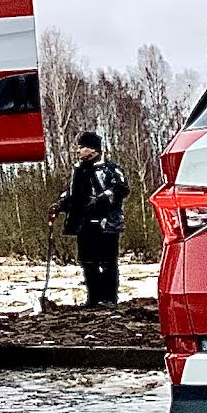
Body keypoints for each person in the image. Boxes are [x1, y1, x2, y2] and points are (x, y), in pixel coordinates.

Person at [50, 131, 131, 309]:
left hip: (107, 224)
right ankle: (93, 299)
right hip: (83, 224)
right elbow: (71, 194)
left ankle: (109, 299)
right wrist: (60, 206)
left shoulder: (110, 169)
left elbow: (122, 189)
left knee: (108, 261)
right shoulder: (78, 171)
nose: (78, 151)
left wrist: (102, 198)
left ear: (93, 150)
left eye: (82, 147)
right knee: (88, 262)